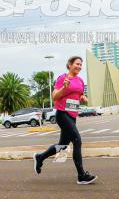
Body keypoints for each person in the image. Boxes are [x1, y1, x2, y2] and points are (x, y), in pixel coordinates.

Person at [34, 56, 96, 185]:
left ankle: (40, 157)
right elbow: (55, 96)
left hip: (73, 116)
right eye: (76, 64)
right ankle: (81, 175)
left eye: (80, 64)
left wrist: (83, 97)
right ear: (69, 65)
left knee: (62, 146)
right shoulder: (63, 78)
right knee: (77, 141)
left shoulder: (80, 80)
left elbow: (78, 95)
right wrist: (64, 87)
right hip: (62, 114)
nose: (79, 66)